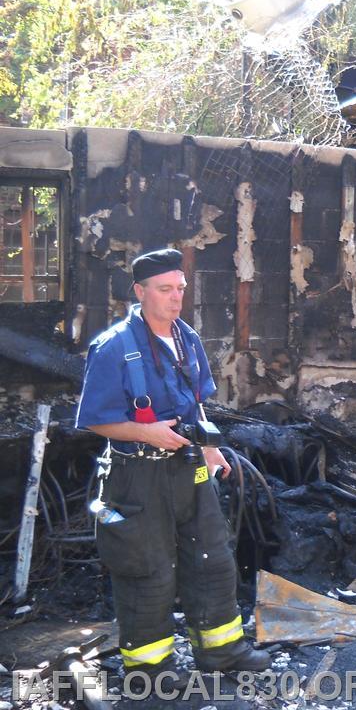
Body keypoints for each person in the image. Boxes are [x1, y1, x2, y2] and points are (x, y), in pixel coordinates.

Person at [76, 248, 270, 684]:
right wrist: (147, 432)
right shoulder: (112, 349)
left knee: (212, 557)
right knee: (147, 567)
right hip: (137, 474)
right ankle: (148, 670)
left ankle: (222, 652)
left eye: (180, 289)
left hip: (189, 469)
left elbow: (195, 403)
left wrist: (209, 447)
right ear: (140, 291)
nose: (175, 298)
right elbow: (95, 419)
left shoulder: (187, 339)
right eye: (165, 290)